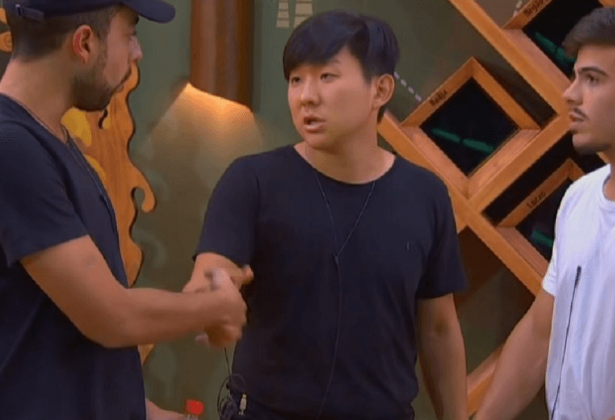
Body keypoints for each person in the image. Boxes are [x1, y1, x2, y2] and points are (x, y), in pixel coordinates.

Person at [0, 1, 249, 419]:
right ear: (84, 43)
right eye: (130, 35)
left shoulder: (48, 141)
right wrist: (217, 307)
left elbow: (56, 336)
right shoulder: (4, 146)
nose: (137, 53)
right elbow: (111, 317)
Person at [185, 9, 469, 420]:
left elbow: (439, 328)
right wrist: (212, 295)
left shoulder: (425, 195)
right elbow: (213, 270)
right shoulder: (252, 181)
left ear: (380, 89)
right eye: (296, 80)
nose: (306, 96)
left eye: (326, 76)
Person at [474, 4, 615, 420]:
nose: (571, 94)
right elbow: (541, 330)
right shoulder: (579, 196)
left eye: (593, 79)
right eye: (575, 76)